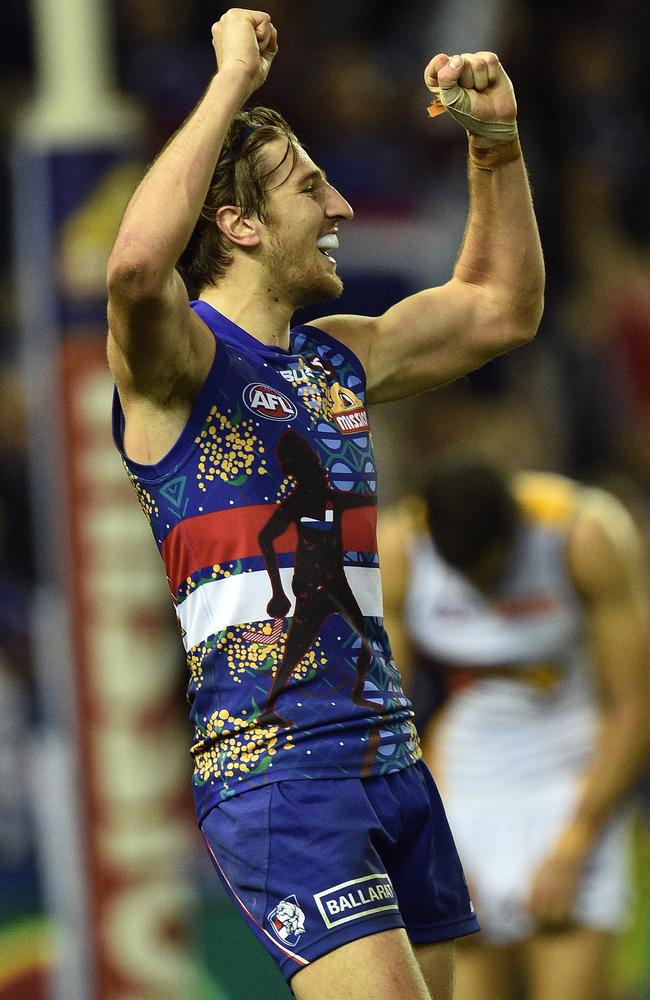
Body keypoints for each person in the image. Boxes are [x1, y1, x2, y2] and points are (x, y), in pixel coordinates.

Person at [106, 9, 544, 999]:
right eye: (311, 188)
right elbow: (135, 268)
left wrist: (493, 142)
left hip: (392, 761)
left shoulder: (336, 359)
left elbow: (500, 307)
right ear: (240, 224)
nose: (341, 205)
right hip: (280, 781)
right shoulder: (181, 366)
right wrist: (227, 85)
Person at [379, 454, 650, 1000]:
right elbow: (390, 715)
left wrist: (576, 843)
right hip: (464, 792)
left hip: (572, 784)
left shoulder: (583, 533)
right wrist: (434, 842)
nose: (477, 589)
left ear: (515, 538)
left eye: (488, 571)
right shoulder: (403, 548)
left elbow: (634, 705)